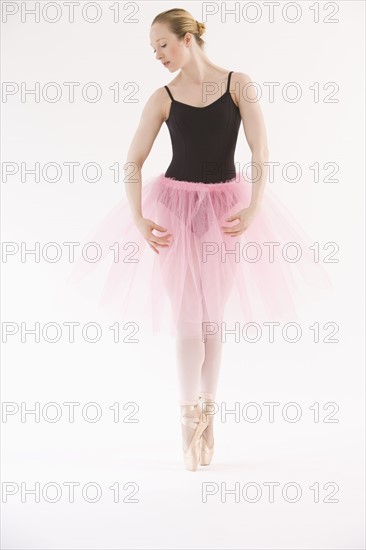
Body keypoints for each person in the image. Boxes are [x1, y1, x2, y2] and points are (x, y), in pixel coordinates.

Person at [67, 8, 333, 471]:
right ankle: (187, 418)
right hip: (173, 210)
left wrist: (253, 207)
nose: (157, 54)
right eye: (153, 49)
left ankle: (209, 411)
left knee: (214, 318)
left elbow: (261, 151)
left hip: (226, 210)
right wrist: (136, 216)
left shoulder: (238, 84)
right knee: (187, 317)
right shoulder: (163, 97)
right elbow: (131, 161)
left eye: (162, 45)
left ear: (187, 39)